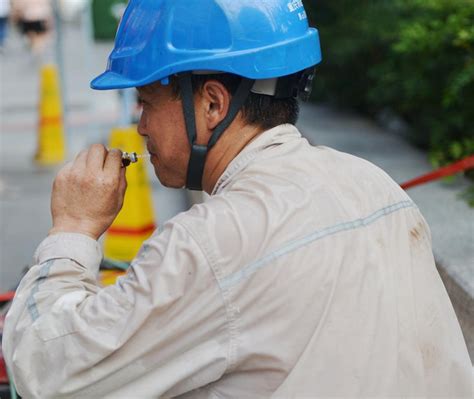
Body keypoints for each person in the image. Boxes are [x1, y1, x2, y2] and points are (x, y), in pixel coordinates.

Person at [3, 0, 472, 397]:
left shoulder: (210, 244)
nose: (140, 123)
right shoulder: (375, 184)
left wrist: (74, 228)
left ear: (212, 103)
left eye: (146, 101)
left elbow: (49, 370)